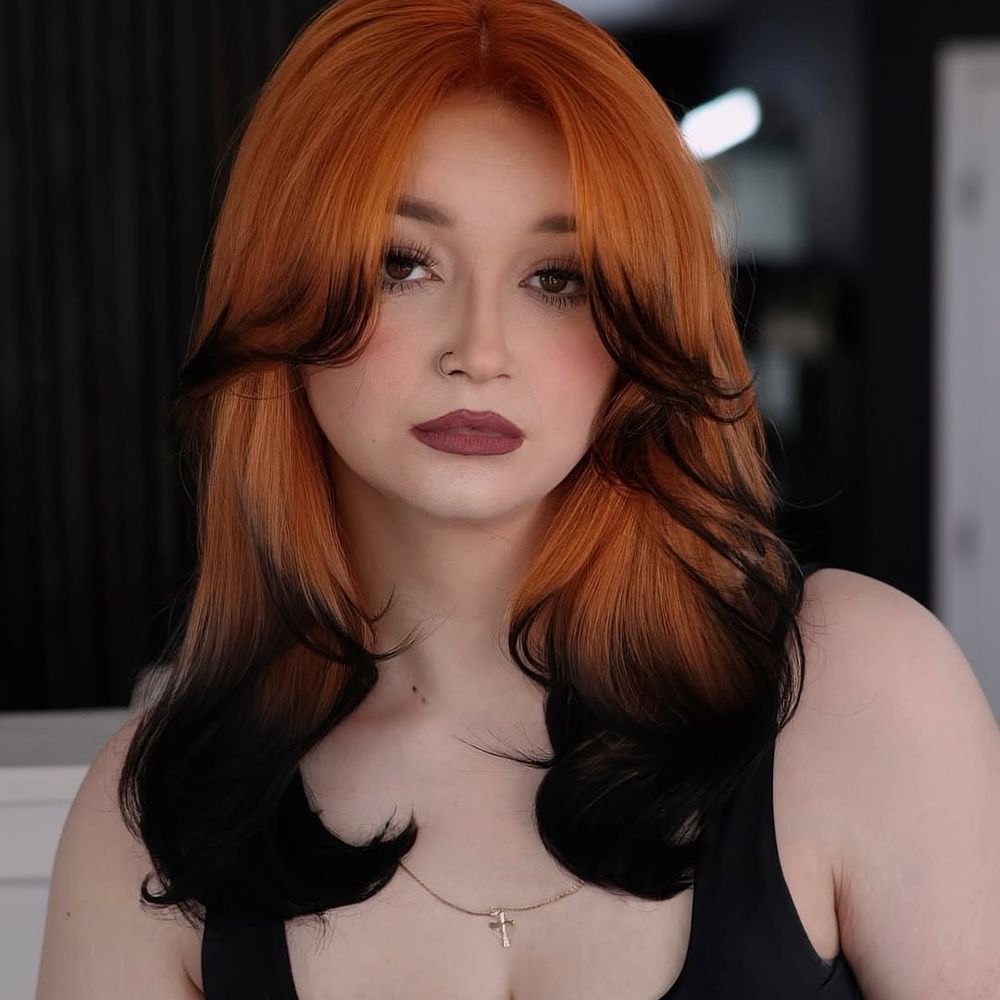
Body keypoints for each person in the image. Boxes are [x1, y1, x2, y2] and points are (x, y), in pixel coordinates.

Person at [36, 0, 1000, 997]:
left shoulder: (862, 689)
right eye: (401, 264)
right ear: (283, 292)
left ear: (641, 321)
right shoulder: (149, 819)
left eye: (557, 278)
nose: (479, 351)